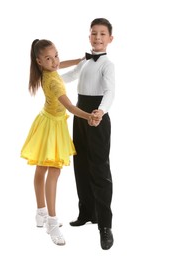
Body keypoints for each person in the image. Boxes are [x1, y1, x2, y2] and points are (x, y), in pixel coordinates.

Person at [20, 39, 100, 246]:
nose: (55, 61)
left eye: (56, 55)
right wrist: (88, 116)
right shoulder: (53, 82)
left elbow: (59, 66)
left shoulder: (46, 70)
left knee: (41, 169)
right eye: (49, 58)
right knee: (52, 172)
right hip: (52, 127)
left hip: (47, 121)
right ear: (39, 61)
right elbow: (72, 108)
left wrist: (78, 60)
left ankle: (40, 213)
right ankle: (52, 222)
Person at [60, 18, 115, 250]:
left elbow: (110, 91)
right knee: (80, 164)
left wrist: (100, 111)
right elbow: (70, 76)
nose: (98, 38)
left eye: (103, 34)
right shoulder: (85, 61)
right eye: (94, 33)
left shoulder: (107, 64)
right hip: (79, 114)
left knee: (99, 169)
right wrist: (49, 80)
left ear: (110, 39)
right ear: (89, 36)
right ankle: (86, 213)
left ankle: (105, 225)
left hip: (96, 117)